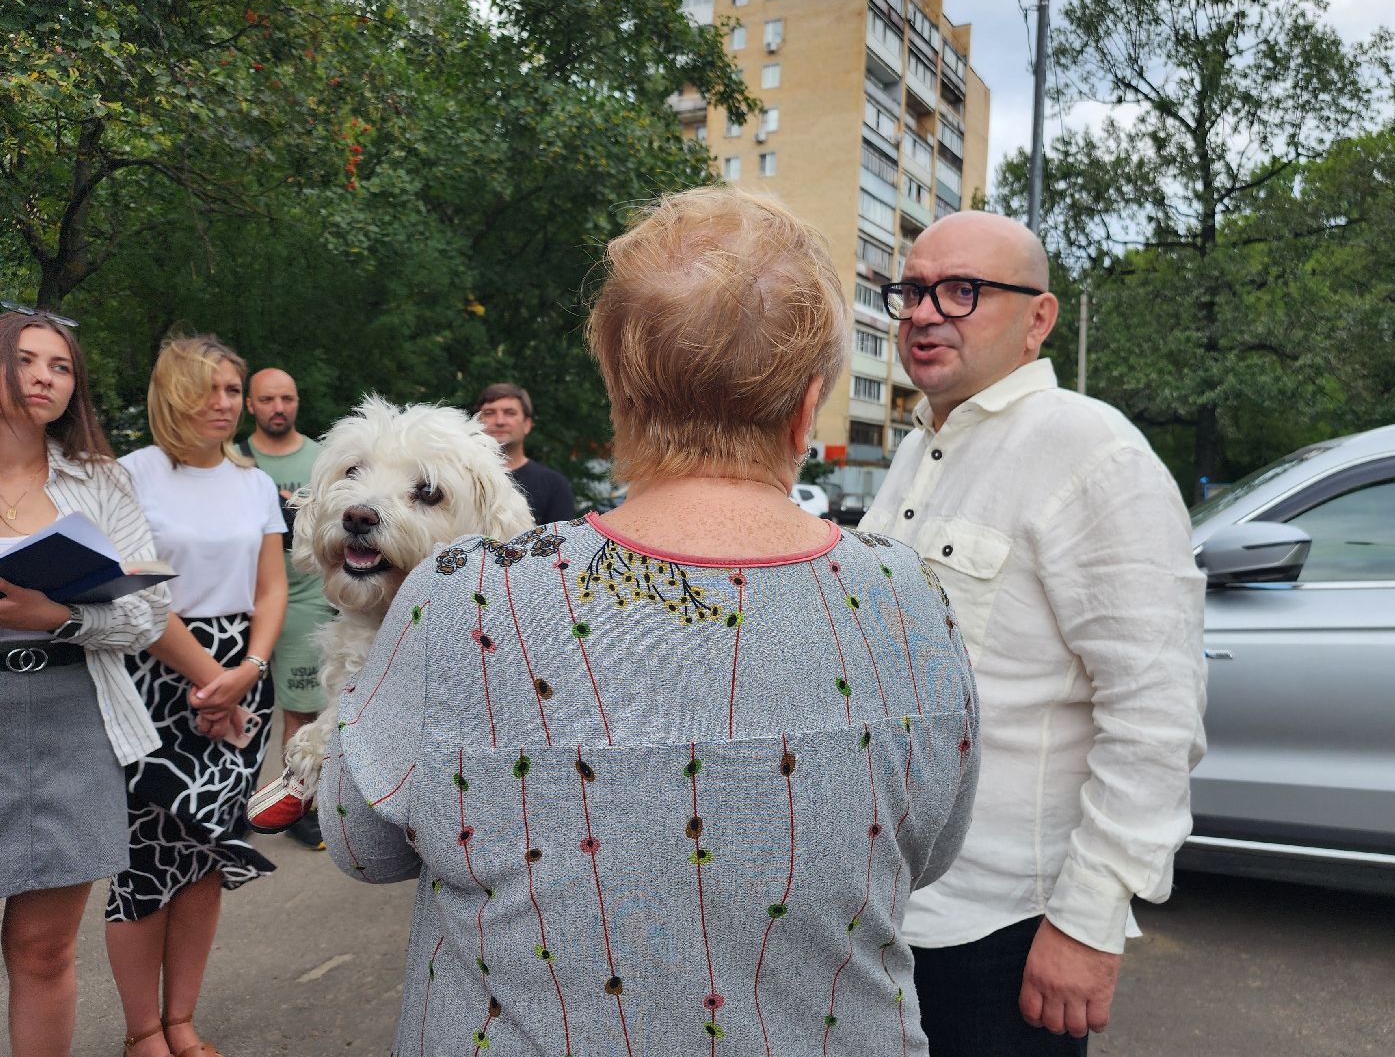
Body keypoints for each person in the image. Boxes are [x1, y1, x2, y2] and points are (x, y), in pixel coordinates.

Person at [320, 186, 981, 1056]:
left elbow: (361, 845)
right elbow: (926, 851)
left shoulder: (463, 596)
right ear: (806, 404)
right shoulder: (909, 598)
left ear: (617, 388)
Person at [859, 210, 1206, 1054]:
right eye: (911, 290)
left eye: (962, 291)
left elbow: (1156, 713)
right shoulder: (917, 453)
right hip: (887, 917)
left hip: (1008, 931)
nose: (924, 312)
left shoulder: (1092, 453)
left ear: (1038, 318)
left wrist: (1089, 922)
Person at [107, 335, 288, 1057]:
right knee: (147, 856)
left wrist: (249, 666)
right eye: (209, 390)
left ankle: (181, 1020)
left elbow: (272, 586)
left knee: (208, 853)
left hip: (243, 676)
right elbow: (134, 589)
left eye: (232, 391)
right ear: (172, 393)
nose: (225, 404)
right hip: (157, 674)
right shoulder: (130, 475)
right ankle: (141, 1031)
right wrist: (205, 677)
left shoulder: (255, 481)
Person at [0, 306, 171, 1057]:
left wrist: (56, 615)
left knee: (43, 949)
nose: (44, 376)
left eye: (61, 366)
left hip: (74, 714)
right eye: (27, 360)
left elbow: (149, 610)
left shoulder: (100, 481)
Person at [242, 366, 332, 850]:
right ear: (251, 405)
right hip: (241, 599)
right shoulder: (234, 459)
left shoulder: (325, 457)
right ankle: (231, 800)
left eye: (288, 398)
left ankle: (298, 803)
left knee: (302, 709)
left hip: (305, 599)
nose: (279, 407)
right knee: (241, 708)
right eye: (268, 399)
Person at [474, 382, 576, 522]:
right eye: (489, 413)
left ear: (527, 424)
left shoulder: (554, 485)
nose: (499, 421)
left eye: (510, 413)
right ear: (477, 421)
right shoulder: (462, 478)